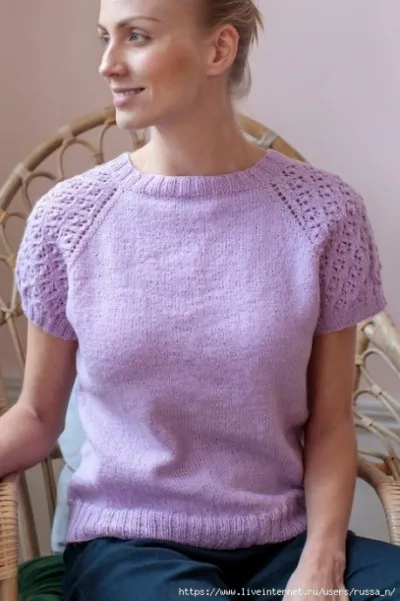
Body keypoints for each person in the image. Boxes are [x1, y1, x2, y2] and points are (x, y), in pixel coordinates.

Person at [0, 0, 399, 599]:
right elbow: (35, 418)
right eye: (105, 37)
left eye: (136, 36)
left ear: (219, 49)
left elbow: (331, 424)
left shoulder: (324, 214)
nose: (108, 64)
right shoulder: (68, 220)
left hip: (285, 542)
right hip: (129, 545)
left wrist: (320, 562)